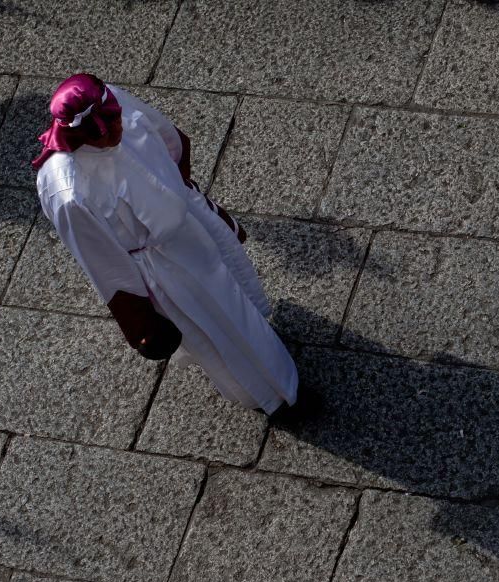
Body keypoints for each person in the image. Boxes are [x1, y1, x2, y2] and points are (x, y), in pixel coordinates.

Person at [33, 73, 300, 417]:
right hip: (164, 262)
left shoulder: (112, 98)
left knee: (237, 290)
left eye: (116, 121)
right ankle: (274, 395)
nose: (117, 132)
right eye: (104, 131)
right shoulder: (67, 191)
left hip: (189, 223)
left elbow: (167, 136)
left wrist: (187, 190)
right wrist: (142, 324)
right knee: (220, 329)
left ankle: (265, 346)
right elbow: (103, 263)